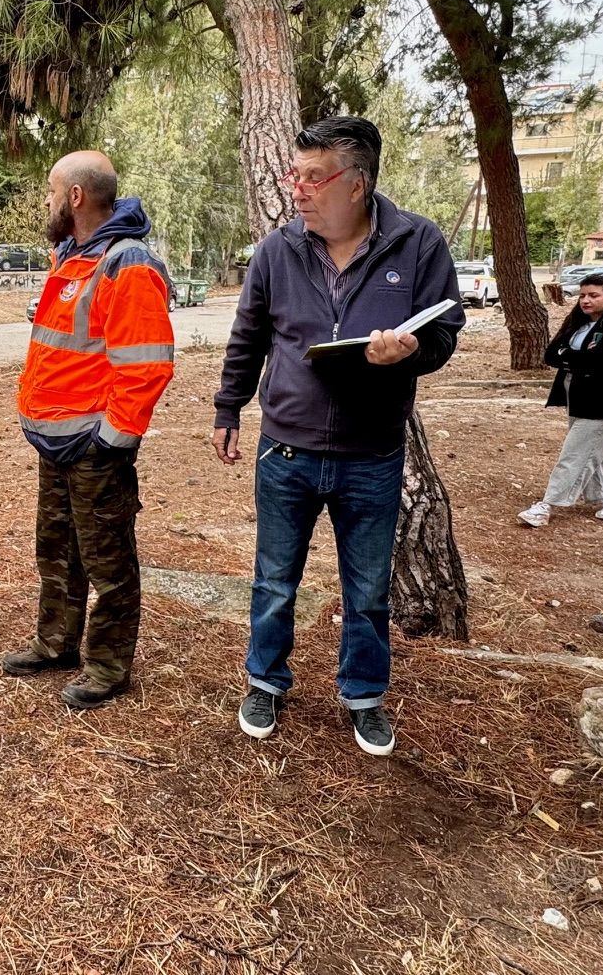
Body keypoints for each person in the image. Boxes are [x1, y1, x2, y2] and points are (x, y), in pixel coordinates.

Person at [212, 117, 463, 756]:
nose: (297, 188)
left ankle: (364, 696)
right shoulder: (277, 251)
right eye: (294, 175)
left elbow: (442, 334)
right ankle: (265, 681)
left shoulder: (417, 244)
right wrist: (228, 407)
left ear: (357, 183)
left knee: (367, 586)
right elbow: (249, 337)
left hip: (372, 454)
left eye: (313, 177)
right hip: (286, 448)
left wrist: (404, 355)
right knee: (273, 580)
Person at [0, 151, 175, 710]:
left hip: (95, 449)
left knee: (108, 562)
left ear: (75, 197)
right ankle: (56, 643)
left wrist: (112, 440)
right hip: (56, 441)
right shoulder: (71, 255)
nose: (47, 201)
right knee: (55, 550)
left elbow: (147, 364)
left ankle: (107, 666)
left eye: (51, 191)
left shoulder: (128, 264)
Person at [518, 273, 603, 527]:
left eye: (594, 295)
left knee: (575, 452)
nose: (586, 300)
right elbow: (552, 354)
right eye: (583, 295)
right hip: (577, 395)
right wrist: (578, 356)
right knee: (595, 449)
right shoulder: (577, 322)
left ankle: (547, 505)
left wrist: (572, 356)